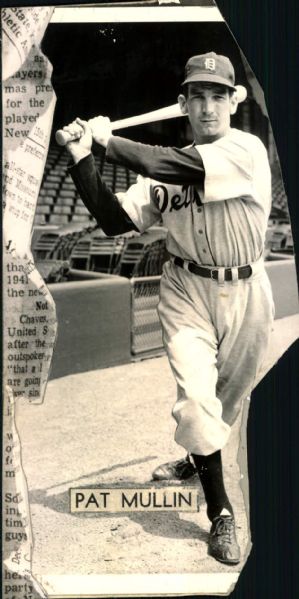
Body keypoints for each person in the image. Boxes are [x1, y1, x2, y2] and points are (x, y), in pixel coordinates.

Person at [64, 52, 274, 565]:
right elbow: (115, 222)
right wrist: (80, 157)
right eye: (197, 96)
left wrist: (107, 140)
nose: (208, 107)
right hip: (185, 289)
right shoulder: (166, 170)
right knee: (197, 400)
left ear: (232, 103)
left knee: (229, 399)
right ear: (182, 104)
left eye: (218, 96)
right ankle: (221, 512)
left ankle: (194, 458)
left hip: (248, 288)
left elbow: (169, 164)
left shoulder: (244, 147)